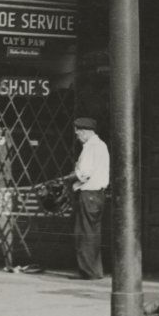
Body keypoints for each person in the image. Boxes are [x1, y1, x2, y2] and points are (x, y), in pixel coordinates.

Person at [65, 117, 109, 280]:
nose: (77, 135)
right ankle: (94, 270)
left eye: (78, 132)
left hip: (88, 194)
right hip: (97, 195)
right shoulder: (101, 145)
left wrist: (69, 177)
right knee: (93, 233)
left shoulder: (91, 147)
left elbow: (84, 173)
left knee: (84, 233)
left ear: (84, 131)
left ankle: (88, 271)